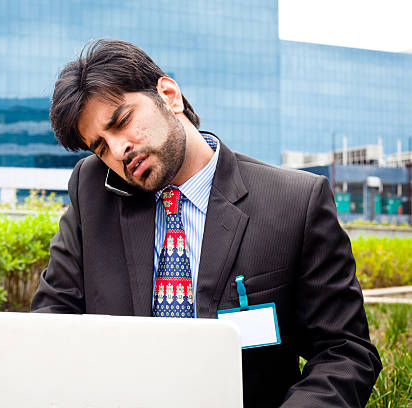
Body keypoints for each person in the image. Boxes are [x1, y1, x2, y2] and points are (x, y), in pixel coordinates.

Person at [30, 39, 381, 407]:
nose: (117, 151)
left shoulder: (294, 203)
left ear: (169, 95)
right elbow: (52, 322)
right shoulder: (93, 191)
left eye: (121, 122)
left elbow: (344, 352)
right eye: (100, 147)